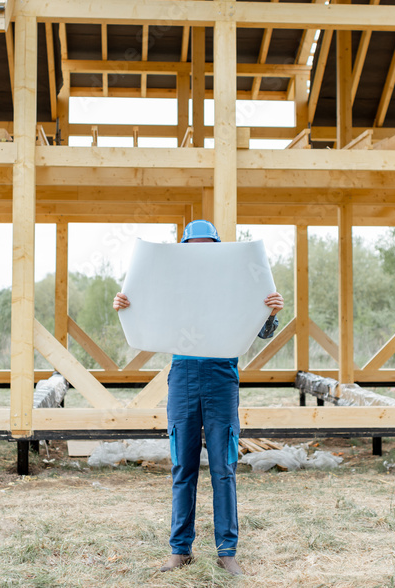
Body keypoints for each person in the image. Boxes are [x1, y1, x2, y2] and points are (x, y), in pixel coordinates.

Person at [112, 219, 283, 576]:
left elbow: (260, 330)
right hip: (184, 377)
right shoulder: (172, 285)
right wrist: (126, 305)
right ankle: (180, 551)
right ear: (185, 249)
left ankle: (227, 552)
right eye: (195, 246)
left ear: (218, 248)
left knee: (224, 468)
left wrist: (271, 313)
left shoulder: (236, 283)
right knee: (182, 467)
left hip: (222, 377)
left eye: (208, 245)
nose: (202, 252)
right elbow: (146, 312)